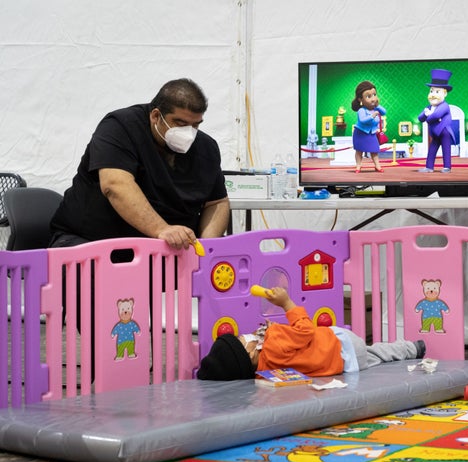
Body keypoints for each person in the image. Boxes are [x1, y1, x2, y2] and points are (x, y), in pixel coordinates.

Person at [49, 78, 230, 251]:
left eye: (195, 125)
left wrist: (208, 248)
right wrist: (161, 229)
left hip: (165, 253)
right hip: (88, 244)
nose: (188, 133)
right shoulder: (119, 128)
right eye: (180, 123)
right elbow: (115, 185)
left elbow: (217, 202)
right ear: (156, 116)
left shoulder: (206, 148)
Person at [197, 287, 425, 380]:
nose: (245, 335)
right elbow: (304, 330)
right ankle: (411, 348)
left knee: (376, 356)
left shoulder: (263, 374)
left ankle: (408, 350)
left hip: (340, 366)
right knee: (378, 350)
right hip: (339, 344)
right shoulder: (272, 343)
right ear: (247, 353)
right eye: (241, 339)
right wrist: (286, 303)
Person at [418, 69, 455, 173]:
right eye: (431, 91)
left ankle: (447, 167)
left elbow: (435, 116)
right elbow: (420, 118)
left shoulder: (444, 106)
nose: (433, 94)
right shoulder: (429, 106)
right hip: (435, 133)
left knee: (446, 149)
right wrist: (425, 114)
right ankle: (429, 167)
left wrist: (429, 115)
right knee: (432, 149)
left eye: (437, 92)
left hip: (444, 131)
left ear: (445, 93)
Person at [351, 80, 386, 174]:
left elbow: (384, 112)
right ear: (360, 99)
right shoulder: (361, 110)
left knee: (374, 150)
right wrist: (372, 116)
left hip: (371, 134)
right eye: (368, 96)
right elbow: (362, 120)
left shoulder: (375, 108)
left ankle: (377, 166)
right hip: (360, 133)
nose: (373, 98)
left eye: (374, 95)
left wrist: (378, 106)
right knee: (359, 151)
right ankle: (358, 166)